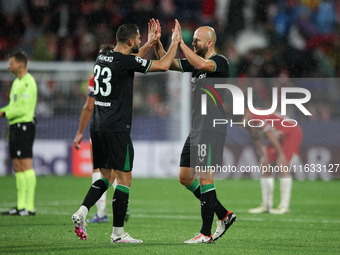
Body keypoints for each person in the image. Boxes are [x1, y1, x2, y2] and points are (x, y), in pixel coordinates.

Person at [71, 20, 181, 243]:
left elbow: (129, 60)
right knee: (124, 179)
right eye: (139, 39)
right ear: (131, 41)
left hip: (98, 126)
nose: (140, 41)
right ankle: (118, 234)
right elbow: (164, 65)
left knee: (105, 176)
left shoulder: (104, 57)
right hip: (117, 128)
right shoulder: (124, 61)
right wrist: (175, 43)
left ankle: (83, 210)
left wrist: (150, 43)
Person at [153, 19, 236, 243]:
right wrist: (160, 43)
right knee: (185, 177)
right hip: (197, 128)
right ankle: (224, 214)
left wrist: (181, 44)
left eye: (197, 40)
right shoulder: (195, 62)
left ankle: (205, 233)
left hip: (211, 127)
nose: (193, 41)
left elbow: (200, 64)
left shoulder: (220, 62)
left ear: (209, 42)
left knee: (205, 178)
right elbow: (167, 63)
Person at [243, 109, 303, 214]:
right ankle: (266, 205)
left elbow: (270, 135)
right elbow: (258, 141)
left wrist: (280, 154)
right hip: (279, 137)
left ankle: (284, 206)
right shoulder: (247, 122)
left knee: (282, 164)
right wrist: (265, 156)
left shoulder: (256, 117)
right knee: (264, 165)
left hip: (291, 132)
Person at [0, 51, 38, 216]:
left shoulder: (29, 82)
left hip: (25, 125)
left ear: (21, 64)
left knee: (25, 164)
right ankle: (20, 205)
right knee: (17, 165)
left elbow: (23, 109)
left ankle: (29, 207)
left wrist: (5, 113)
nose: (9, 66)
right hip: (14, 126)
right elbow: (13, 105)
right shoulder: (16, 82)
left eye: (11, 63)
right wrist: (3, 111)